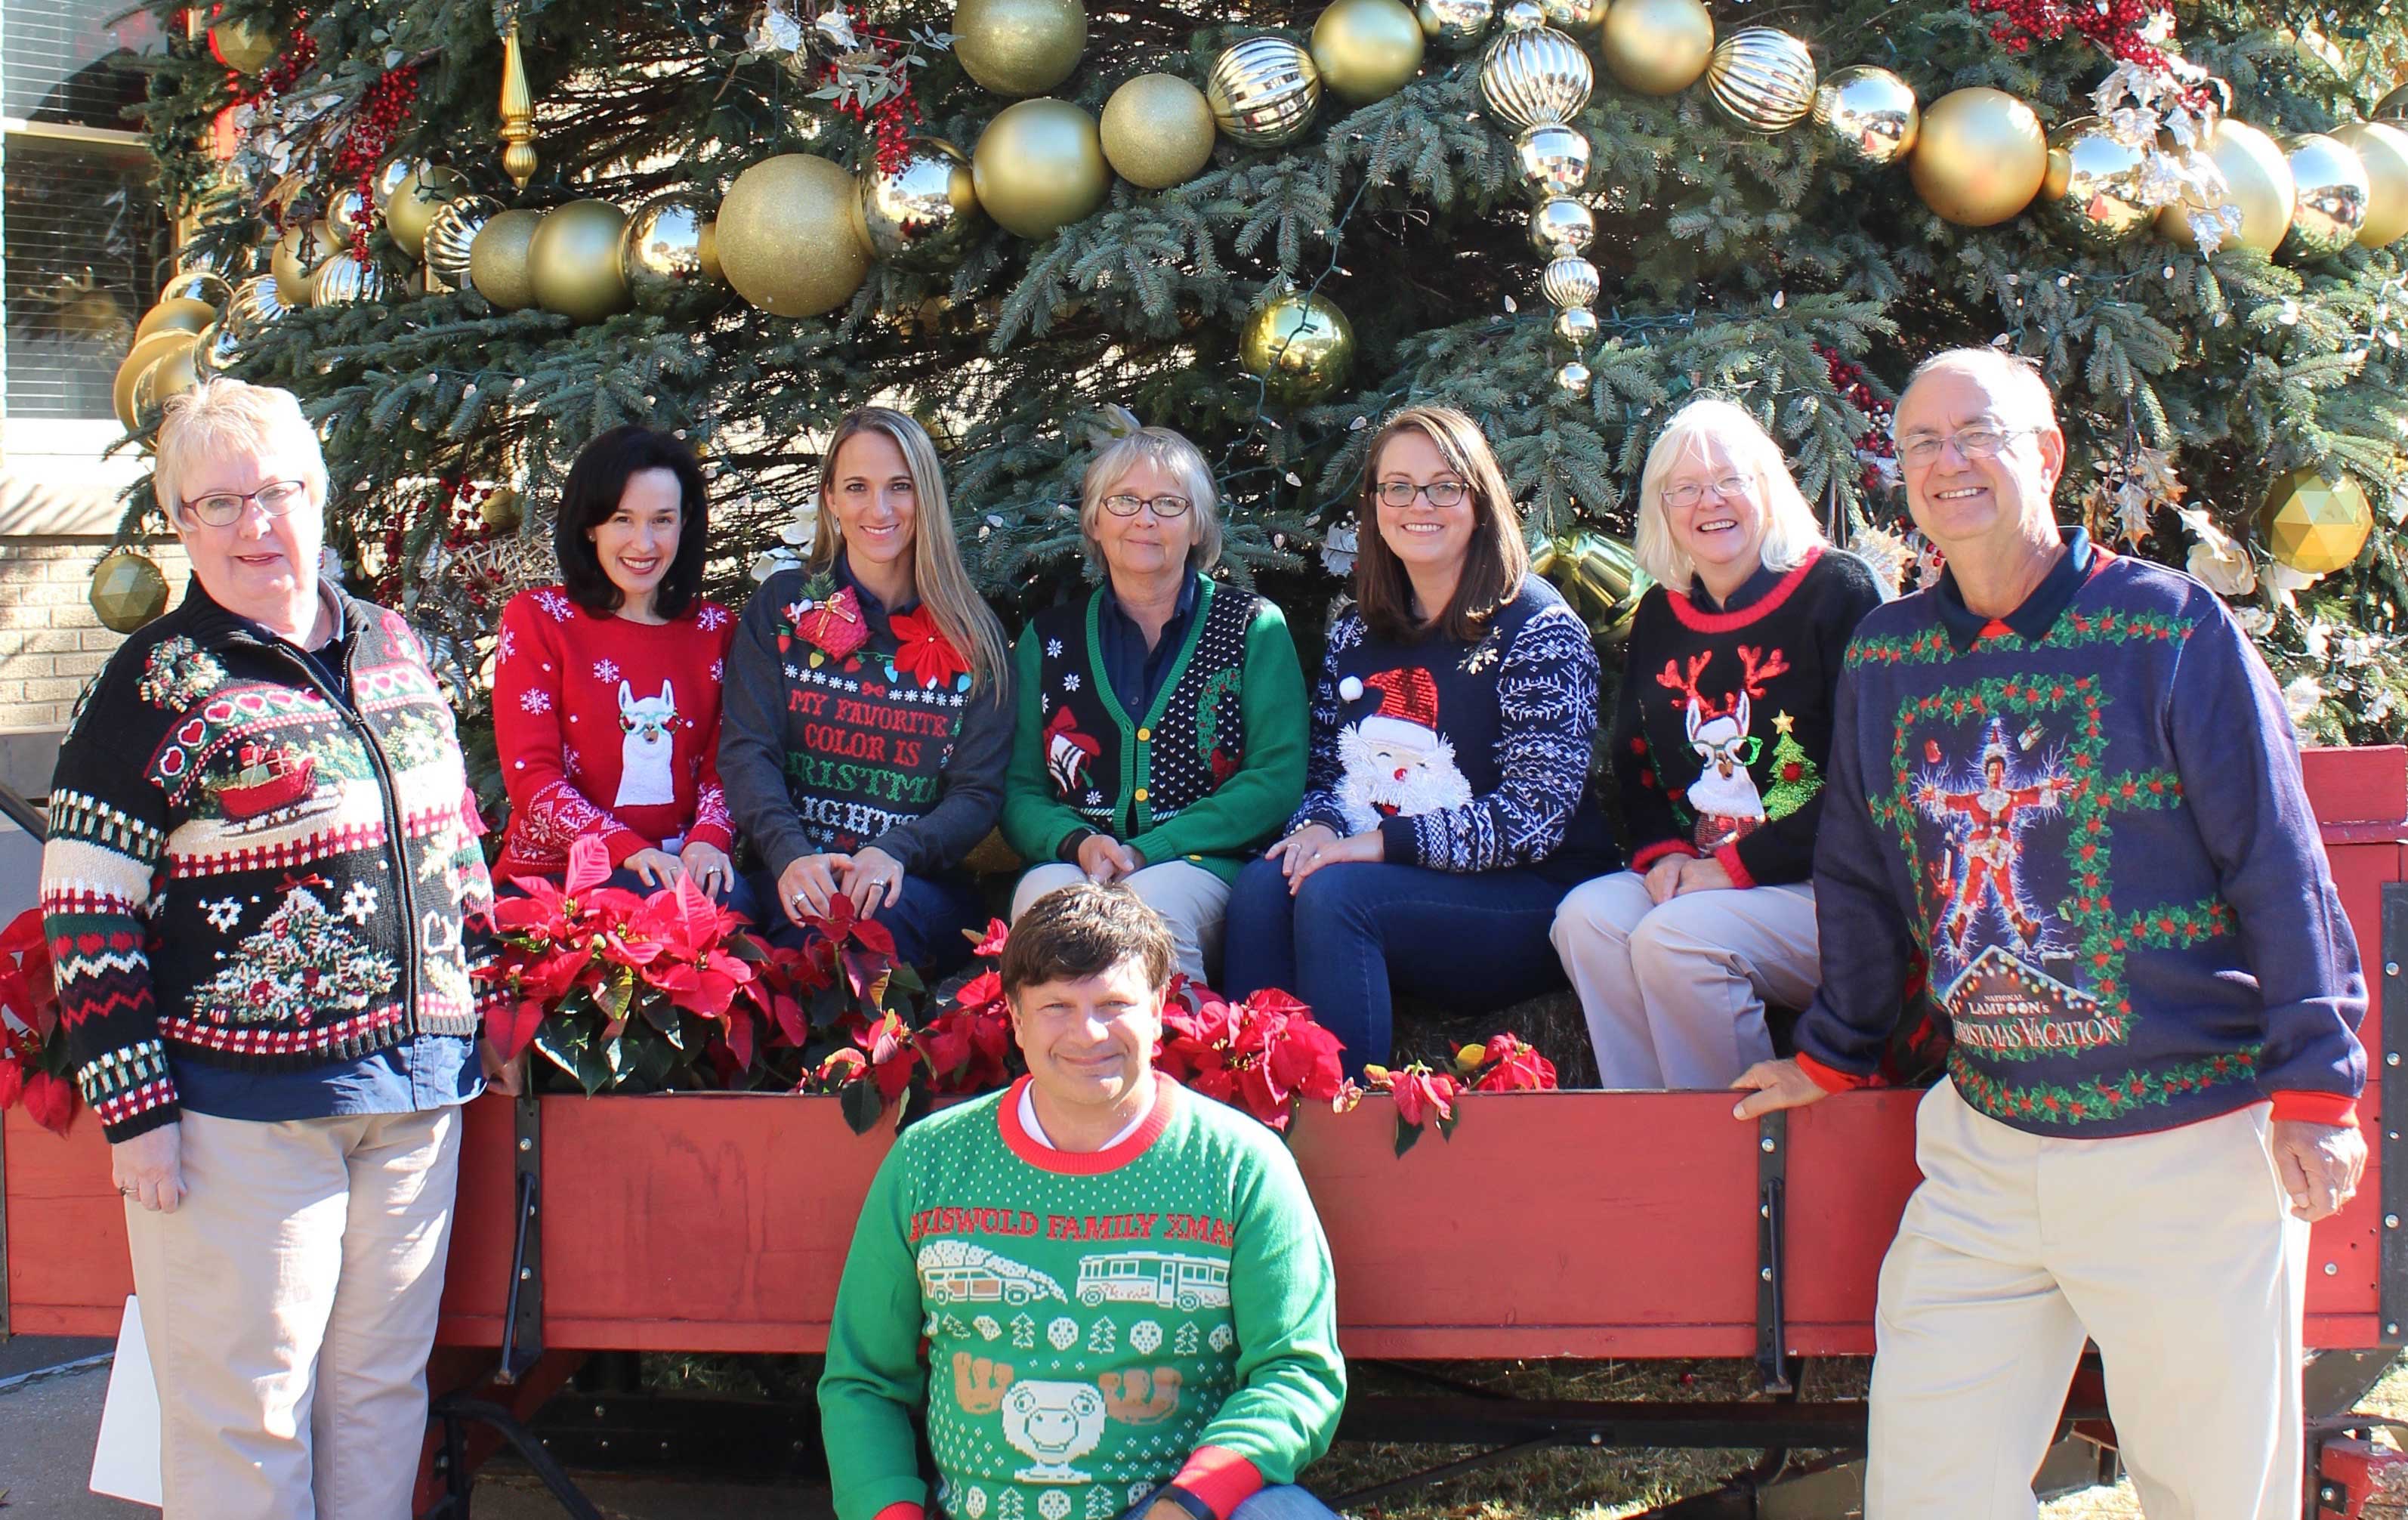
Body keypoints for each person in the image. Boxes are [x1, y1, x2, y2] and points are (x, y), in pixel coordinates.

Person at [1732, 348, 2367, 1518]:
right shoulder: (1889, 657)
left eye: (1978, 433)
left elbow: (2279, 861)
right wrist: (1836, 1048)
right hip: (1987, 1140)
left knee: (2218, 1494)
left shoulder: (2172, 631)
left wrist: (2320, 1090)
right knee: (1928, 1487)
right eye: (1921, 442)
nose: (1947, 462)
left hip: (2184, 1143)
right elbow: (1861, 874)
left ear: (2048, 455)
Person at [39, 378, 502, 1516]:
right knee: (245, 1410)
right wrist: (136, 1111)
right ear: (180, 524)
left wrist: (471, 993)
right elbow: (85, 910)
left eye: (278, 493)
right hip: (240, 1118)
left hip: (414, 1097)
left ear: (321, 495)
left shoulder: (395, 646)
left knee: (381, 1394)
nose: (256, 526)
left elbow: (454, 844)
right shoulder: (152, 685)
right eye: (220, 504)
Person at [820, 882, 1348, 1520]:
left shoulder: (1240, 1165)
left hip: (1177, 1507)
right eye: (1057, 1007)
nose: (1088, 1031)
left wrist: (1190, 1504)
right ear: (1014, 1016)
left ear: (1158, 1009)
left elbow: (1295, 1373)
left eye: (1114, 1003)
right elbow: (863, 1382)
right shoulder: (930, 1161)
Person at [1220, 404, 1618, 1068]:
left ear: (1480, 500)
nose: (1418, 504)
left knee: (1336, 894)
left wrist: (1379, 844)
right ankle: (1250, 1109)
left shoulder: (1537, 629)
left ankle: (1351, 1123)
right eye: (1397, 487)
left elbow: (1535, 818)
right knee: (1268, 882)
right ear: (1375, 503)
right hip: (1399, 883)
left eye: (1443, 485)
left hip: (1530, 896)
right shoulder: (1357, 633)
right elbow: (1325, 778)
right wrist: (1320, 827)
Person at [1551, 397, 1882, 1089]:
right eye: (1687, 488)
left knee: (1678, 939)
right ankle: (1646, 1133)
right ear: (1662, 509)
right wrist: (1666, 854)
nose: (1711, 502)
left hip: (1830, 893)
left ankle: (1730, 1154)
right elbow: (1635, 761)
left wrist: (1735, 869)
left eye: (1730, 479)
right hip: (1708, 874)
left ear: (1767, 486)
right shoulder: (1660, 616)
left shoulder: (1837, 592)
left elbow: (1867, 779)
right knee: (1586, 919)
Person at [1001, 427, 1308, 982]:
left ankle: (1183, 1062)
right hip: (1075, 864)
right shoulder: (1049, 637)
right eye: (1124, 501)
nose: (1145, 519)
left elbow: (1276, 777)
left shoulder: (1251, 627)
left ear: (1197, 526)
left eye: (1170, 504)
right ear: (1095, 520)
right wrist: (1077, 843)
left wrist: (1152, 848)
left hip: (1203, 868)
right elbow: (1020, 788)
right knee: (1046, 914)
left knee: (1153, 911)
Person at [721, 406, 1012, 974]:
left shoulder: (975, 639)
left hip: (914, 890)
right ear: (830, 498)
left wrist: (894, 851)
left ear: (925, 496)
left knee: (869, 927)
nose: (879, 510)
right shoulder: (783, 608)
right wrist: (791, 855)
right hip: (788, 873)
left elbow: (977, 795)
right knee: (758, 923)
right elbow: (747, 750)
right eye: (857, 487)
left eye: (899, 487)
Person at [490, 425, 749, 915]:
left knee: (741, 912)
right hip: (560, 875)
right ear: (590, 525)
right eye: (622, 519)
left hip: (688, 867)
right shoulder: (539, 621)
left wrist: (710, 839)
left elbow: (728, 766)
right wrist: (629, 850)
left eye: (662, 520)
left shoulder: (716, 631)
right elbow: (533, 778)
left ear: (685, 523)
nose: (643, 542)